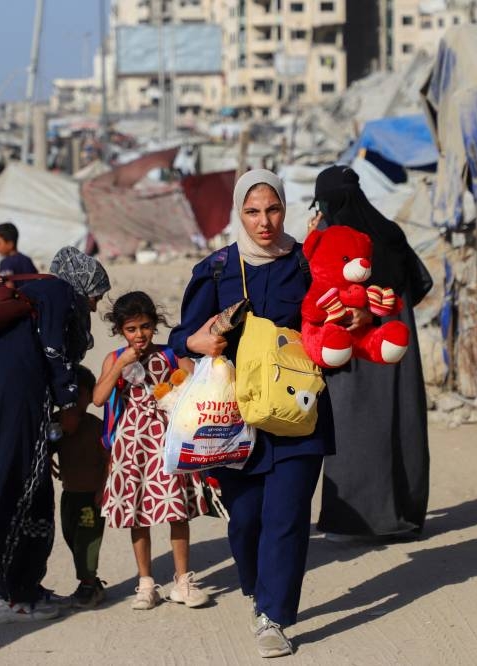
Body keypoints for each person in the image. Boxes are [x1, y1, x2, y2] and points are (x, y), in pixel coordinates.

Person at [168, 170, 337, 658]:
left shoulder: (308, 263)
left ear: (286, 208)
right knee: (245, 521)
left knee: (287, 517)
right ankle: (256, 588)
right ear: (239, 213)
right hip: (233, 420)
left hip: (297, 412)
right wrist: (195, 341)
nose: (265, 222)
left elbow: (334, 313)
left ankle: (274, 615)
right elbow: (182, 336)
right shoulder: (217, 269)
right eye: (253, 211)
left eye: (274, 209)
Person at [0, 246, 112, 624]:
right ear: (82, 283)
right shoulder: (59, 293)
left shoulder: (38, 297)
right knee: (18, 485)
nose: (93, 307)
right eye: (95, 295)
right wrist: (71, 402)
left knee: (21, 479)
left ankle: (22, 587)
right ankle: (12, 597)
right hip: (8, 393)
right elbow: (55, 351)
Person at [311, 165, 433, 540]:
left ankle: (354, 522)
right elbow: (420, 282)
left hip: (353, 350)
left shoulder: (331, 239)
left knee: (350, 430)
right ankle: (403, 514)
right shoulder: (389, 233)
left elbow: (313, 288)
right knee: (400, 424)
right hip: (395, 345)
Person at [95, 291, 209, 612]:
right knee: (137, 513)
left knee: (176, 510)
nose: (140, 335)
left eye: (145, 326)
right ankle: (146, 583)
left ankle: (183, 581)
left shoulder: (171, 354)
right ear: (121, 331)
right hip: (132, 445)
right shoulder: (115, 358)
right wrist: (120, 364)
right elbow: (99, 397)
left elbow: (197, 384)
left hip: (168, 440)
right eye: (131, 329)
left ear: (154, 325)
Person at [53, 365, 108, 609]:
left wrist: (104, 488)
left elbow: (110, 459)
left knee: (88, 540)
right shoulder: (56, 423)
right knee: (71, 536)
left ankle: (88, 583)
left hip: (91, 496)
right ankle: (91, 581)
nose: (74, 402)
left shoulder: (96, 427)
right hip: (69, 494)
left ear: (90, 396)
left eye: (80, 396)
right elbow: (45, 446)